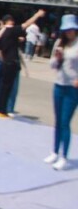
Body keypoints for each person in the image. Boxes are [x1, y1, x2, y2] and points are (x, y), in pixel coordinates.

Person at [0, 10, 44, 118]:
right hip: (12, 62)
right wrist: (37, 15)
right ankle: (1, 110)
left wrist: (3, 60)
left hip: (5, 62)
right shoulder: (12, 30)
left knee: (3, 87)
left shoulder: (1, 34)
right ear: (9, 21)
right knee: (7, 88)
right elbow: (26, 24)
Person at [46, 14, 78, 171]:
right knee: (58, 120)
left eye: (71, 29)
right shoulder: (60, 43)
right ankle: (54, 151)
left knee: (65, 121)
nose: (69, 32)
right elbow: (51, 64)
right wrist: (57, 58)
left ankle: (64, 156)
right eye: (66, 29)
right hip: (58, 85)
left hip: (73, 88)